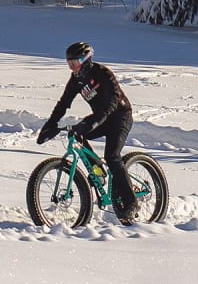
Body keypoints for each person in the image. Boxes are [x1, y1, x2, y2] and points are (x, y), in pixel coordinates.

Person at [37, 42, 138, 222]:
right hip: (100, 117)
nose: (72, 68)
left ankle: (131, 203)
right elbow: (63, 103)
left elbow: (113, 101)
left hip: (120, 116)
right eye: (69, 64)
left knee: (113, 156)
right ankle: (97, 170)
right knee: (76, 134)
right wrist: (50, 125)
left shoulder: (103, 73)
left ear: (86, 60)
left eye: (75, 63)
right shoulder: (76, 80)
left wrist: (95, 122)